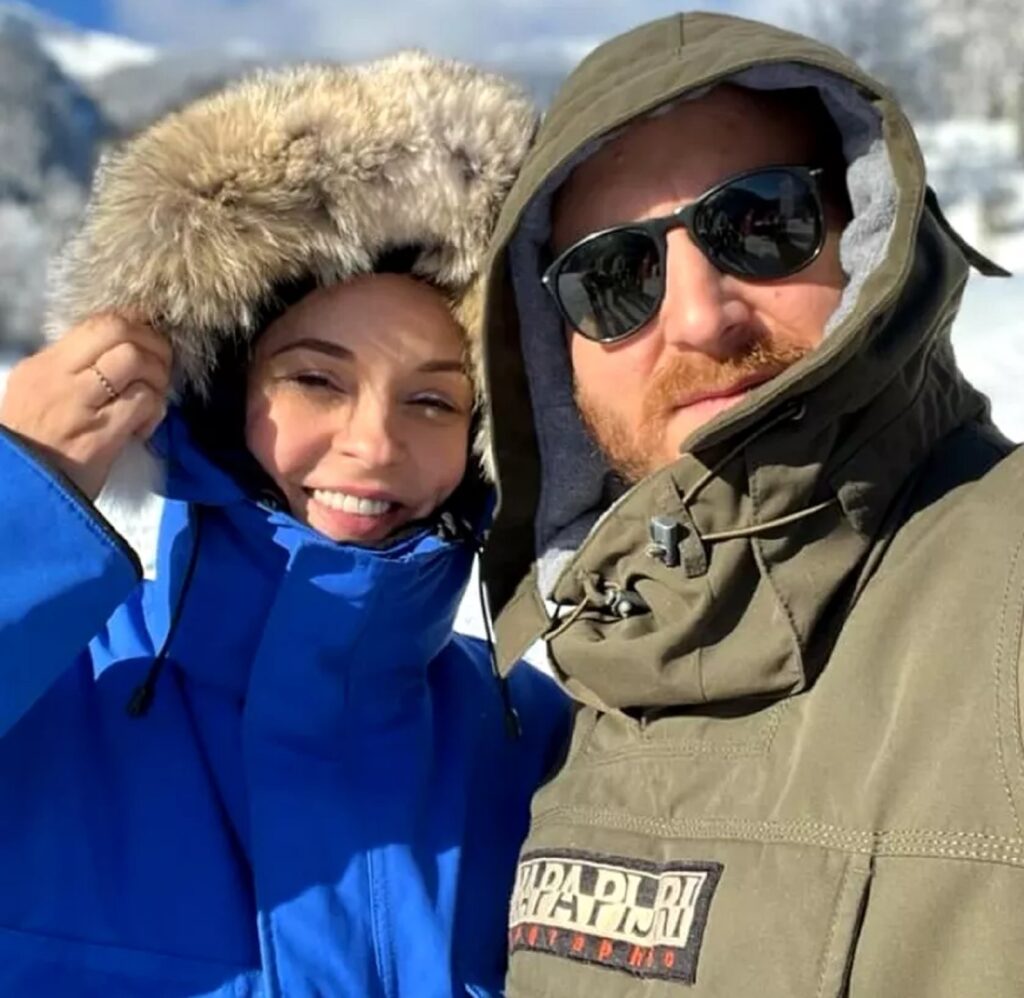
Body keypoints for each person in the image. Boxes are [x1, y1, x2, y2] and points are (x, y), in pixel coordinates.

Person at [475, 12, 1024, 997]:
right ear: (555, 365)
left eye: (761, 223)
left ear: (868, 235)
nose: (700, 317)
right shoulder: (562, 700)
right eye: (613, 278)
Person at [0, 53, 567, 997]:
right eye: (315, 379)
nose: (373, 445)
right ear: (221, 397)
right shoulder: (56, 695)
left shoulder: (532, 746)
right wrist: (22, 492)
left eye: (434, 400)